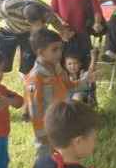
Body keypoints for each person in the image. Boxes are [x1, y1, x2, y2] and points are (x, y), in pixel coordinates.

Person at [25, 29, 95, 159]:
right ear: (41, 52)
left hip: (61, 122)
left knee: (63, 157)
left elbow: (69, 87)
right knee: (45, 158)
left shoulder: (58, 68)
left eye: (60, 49)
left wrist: (86, 80)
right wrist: (41, 135)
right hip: (47, 129)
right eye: (54, 50)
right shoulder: (35, 77)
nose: (59, 53)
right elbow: (34, 109)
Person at [0, 0, 72, 78]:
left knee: (28, 63)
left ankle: (27, 79)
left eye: (41, 26)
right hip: (9, 30)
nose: (39, 28)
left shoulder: (47, 12)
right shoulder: (7, 7)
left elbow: (55, 22)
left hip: (28, 33)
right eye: (36, 26)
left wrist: (64, 32)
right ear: (27, 21)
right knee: (0, 62)